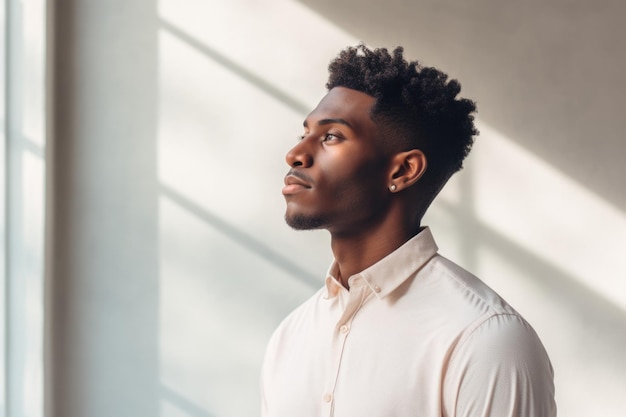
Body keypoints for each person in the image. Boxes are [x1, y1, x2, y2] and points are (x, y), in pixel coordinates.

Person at [261, 45, 556, 417]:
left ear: (402, 171)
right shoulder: (291, 337)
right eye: (305, 132)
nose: (296, 153)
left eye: (332, 136)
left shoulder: (484, 338)